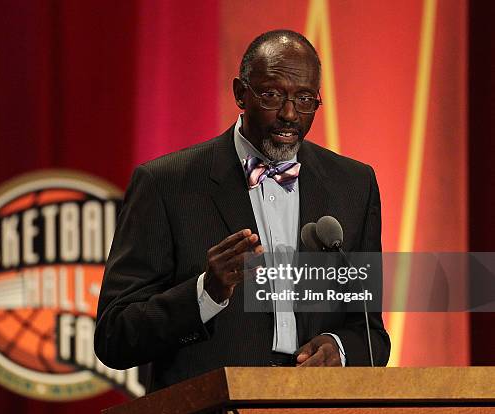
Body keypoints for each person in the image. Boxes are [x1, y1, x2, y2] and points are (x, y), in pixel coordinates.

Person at [95, 29, 390, 392]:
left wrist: (339, 348)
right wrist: (208, 292)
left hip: (314, 410)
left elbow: (371, 333)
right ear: (240, 93)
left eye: (304, 99)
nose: (288, 114)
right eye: (271, 95)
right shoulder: (165, 184)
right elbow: (114, 336)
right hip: (208, 411)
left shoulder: (354, 185)